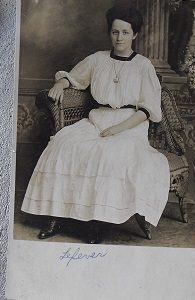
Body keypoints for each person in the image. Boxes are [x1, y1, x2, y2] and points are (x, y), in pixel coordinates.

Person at [21, 5, 170, 244]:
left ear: (135, 34)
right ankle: (55, 215)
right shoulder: (97, 59)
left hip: (130, 125)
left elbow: (147, 110)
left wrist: (118, 129)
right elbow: (74, 77)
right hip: (97, 118)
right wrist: (61, 83)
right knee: (63, 144)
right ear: (109, 33)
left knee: (106, 154)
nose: (119, 37)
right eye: (114, 32)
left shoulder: (143, 66)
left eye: (124, 32)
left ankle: (94, 222)